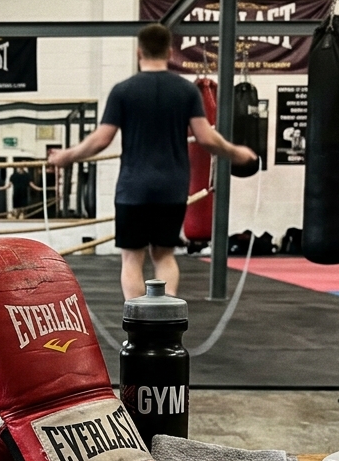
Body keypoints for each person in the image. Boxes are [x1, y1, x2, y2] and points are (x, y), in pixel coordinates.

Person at [48, 24, 257, 299]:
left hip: (133, 189)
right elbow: (206, 138)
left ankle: (137, 327)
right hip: (171, 188)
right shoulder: (186, 91)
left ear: (139, 52)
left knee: (132, 260)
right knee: (164, 257)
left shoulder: (123, 90)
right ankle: (165, 325)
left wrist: (66, 156)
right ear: (170, 52)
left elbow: (100, 140)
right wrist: (237, 153)